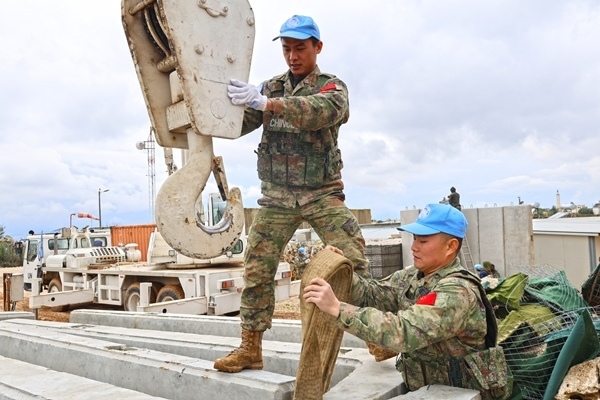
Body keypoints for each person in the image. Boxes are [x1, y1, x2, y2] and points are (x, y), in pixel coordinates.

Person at [214, 15, 371, 373]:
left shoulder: (332, 87)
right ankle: (251, 348)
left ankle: (376, 337)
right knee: (256, 267)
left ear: (318, 47)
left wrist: (268, 104)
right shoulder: (270, 87)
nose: (292, 56)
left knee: (354, 262)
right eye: (286, 49)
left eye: (300, 48)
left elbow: (320, 112)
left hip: (321, 193)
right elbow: (234, 125)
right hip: (278, 198)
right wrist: (216, 100)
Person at [303, 203, 509, 397]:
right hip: (428, 391)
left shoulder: (458, 292)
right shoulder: (413, 276)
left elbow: (404, 332)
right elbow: (372, 294)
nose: (414, 247)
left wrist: (338, 309)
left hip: (460, 394)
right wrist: (342, 270)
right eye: (415, 239)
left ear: (450, 246)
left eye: (423, 241)